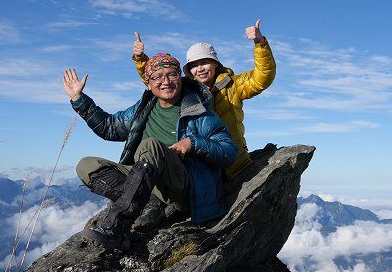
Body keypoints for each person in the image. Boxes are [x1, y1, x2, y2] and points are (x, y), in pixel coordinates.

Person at [62, 53, 237, 251]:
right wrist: (78, 99)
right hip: (147, 181)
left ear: (180, 77)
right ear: (148, 84)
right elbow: (108, 127)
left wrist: (193, 142)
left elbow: (228, 152)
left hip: (183, 186)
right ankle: (149, 203)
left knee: (149, 146)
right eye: (157, 77)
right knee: (86, 165)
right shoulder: (144, 108)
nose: (166, 81)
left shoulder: (199, 111)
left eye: (172, 74)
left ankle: (116, 229)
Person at [131, 19, 276, 179]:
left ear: (215, 64)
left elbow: (263, 77)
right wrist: (140, 59)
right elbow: (158, 83)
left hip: (233, 164)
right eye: (194, 65)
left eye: (205, 62)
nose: (200, 68)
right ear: (189, 70)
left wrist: (260, 42)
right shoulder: (185, 89)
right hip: (200, 165)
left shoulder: (233, 85)